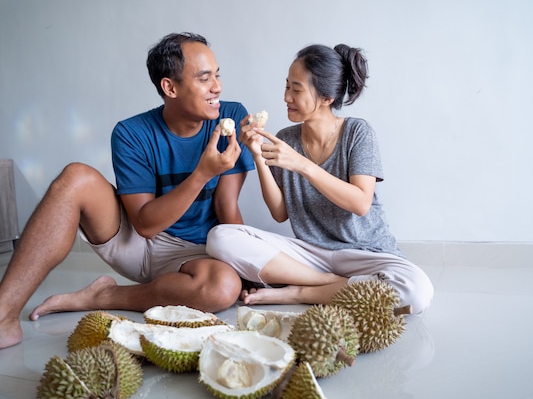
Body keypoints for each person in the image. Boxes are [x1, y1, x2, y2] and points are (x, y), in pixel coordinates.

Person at [0, 32, 255, 349]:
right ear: (170, 87)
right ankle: (3, 315)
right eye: (205, 78)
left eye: (217, 75)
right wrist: (202, 173)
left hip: (198, 252)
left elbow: (227, 205)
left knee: (223, 288)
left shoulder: (231, 117)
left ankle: (105, 295)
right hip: (137, 241)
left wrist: (251, 266)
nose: (217, 87)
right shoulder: (131, 133)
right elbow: (145, 225)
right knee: (75, 177)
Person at [206, 44, 434, 315]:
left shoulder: (357, 132)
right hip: (311, 256)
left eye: (296, 89)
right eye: (286, 86)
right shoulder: (287, 138)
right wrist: (257, 155)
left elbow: (360, 203)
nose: (286, 96)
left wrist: (301, 164)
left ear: (326, 97)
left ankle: (300, 293)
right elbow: (280, 214)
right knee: (220, 237)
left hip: (365, 255)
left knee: (417, 291)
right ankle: (329, 284)